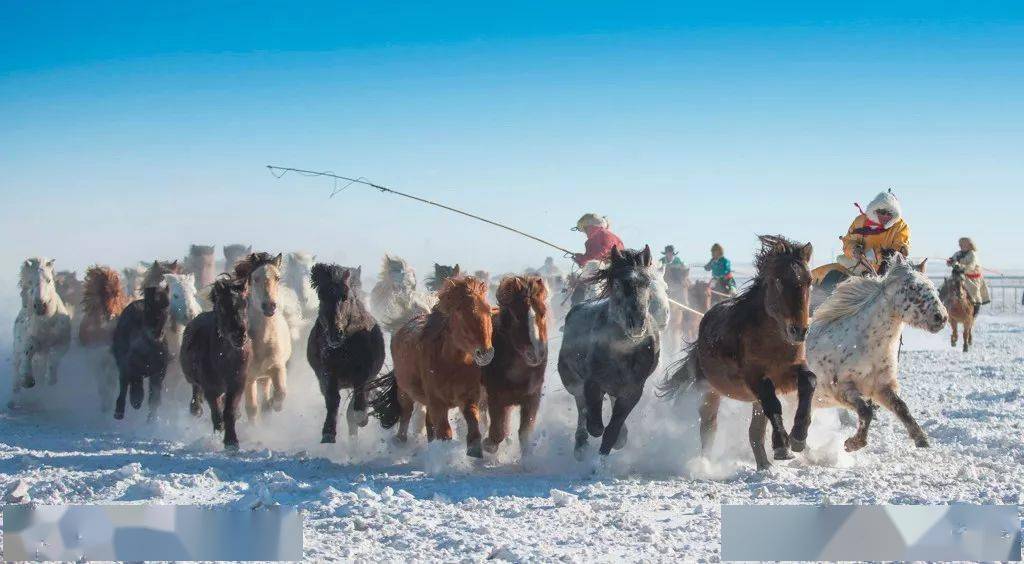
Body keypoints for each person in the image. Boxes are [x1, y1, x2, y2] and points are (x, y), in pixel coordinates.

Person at [838, 190, 911, 274]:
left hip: (889, 269)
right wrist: (854, 249)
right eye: (882, 212)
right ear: (875, 210)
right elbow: (848, 241)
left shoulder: (900, 226)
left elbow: (901, 247)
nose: (885, 216)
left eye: (890, 213)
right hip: (860, 265)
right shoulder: (860, 221)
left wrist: (888, 258)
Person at [947, 237, 990, 315]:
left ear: (967, 245)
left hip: (971, 278)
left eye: (961, 244)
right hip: (958, 276)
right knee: (946, 287)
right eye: (959, 244)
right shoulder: (958, 253)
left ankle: (974, 311)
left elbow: (971, 267)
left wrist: (958, 265)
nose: (960, 246)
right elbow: (952, 261)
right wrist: (950, 262)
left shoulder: (973, 255)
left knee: (973, 291)